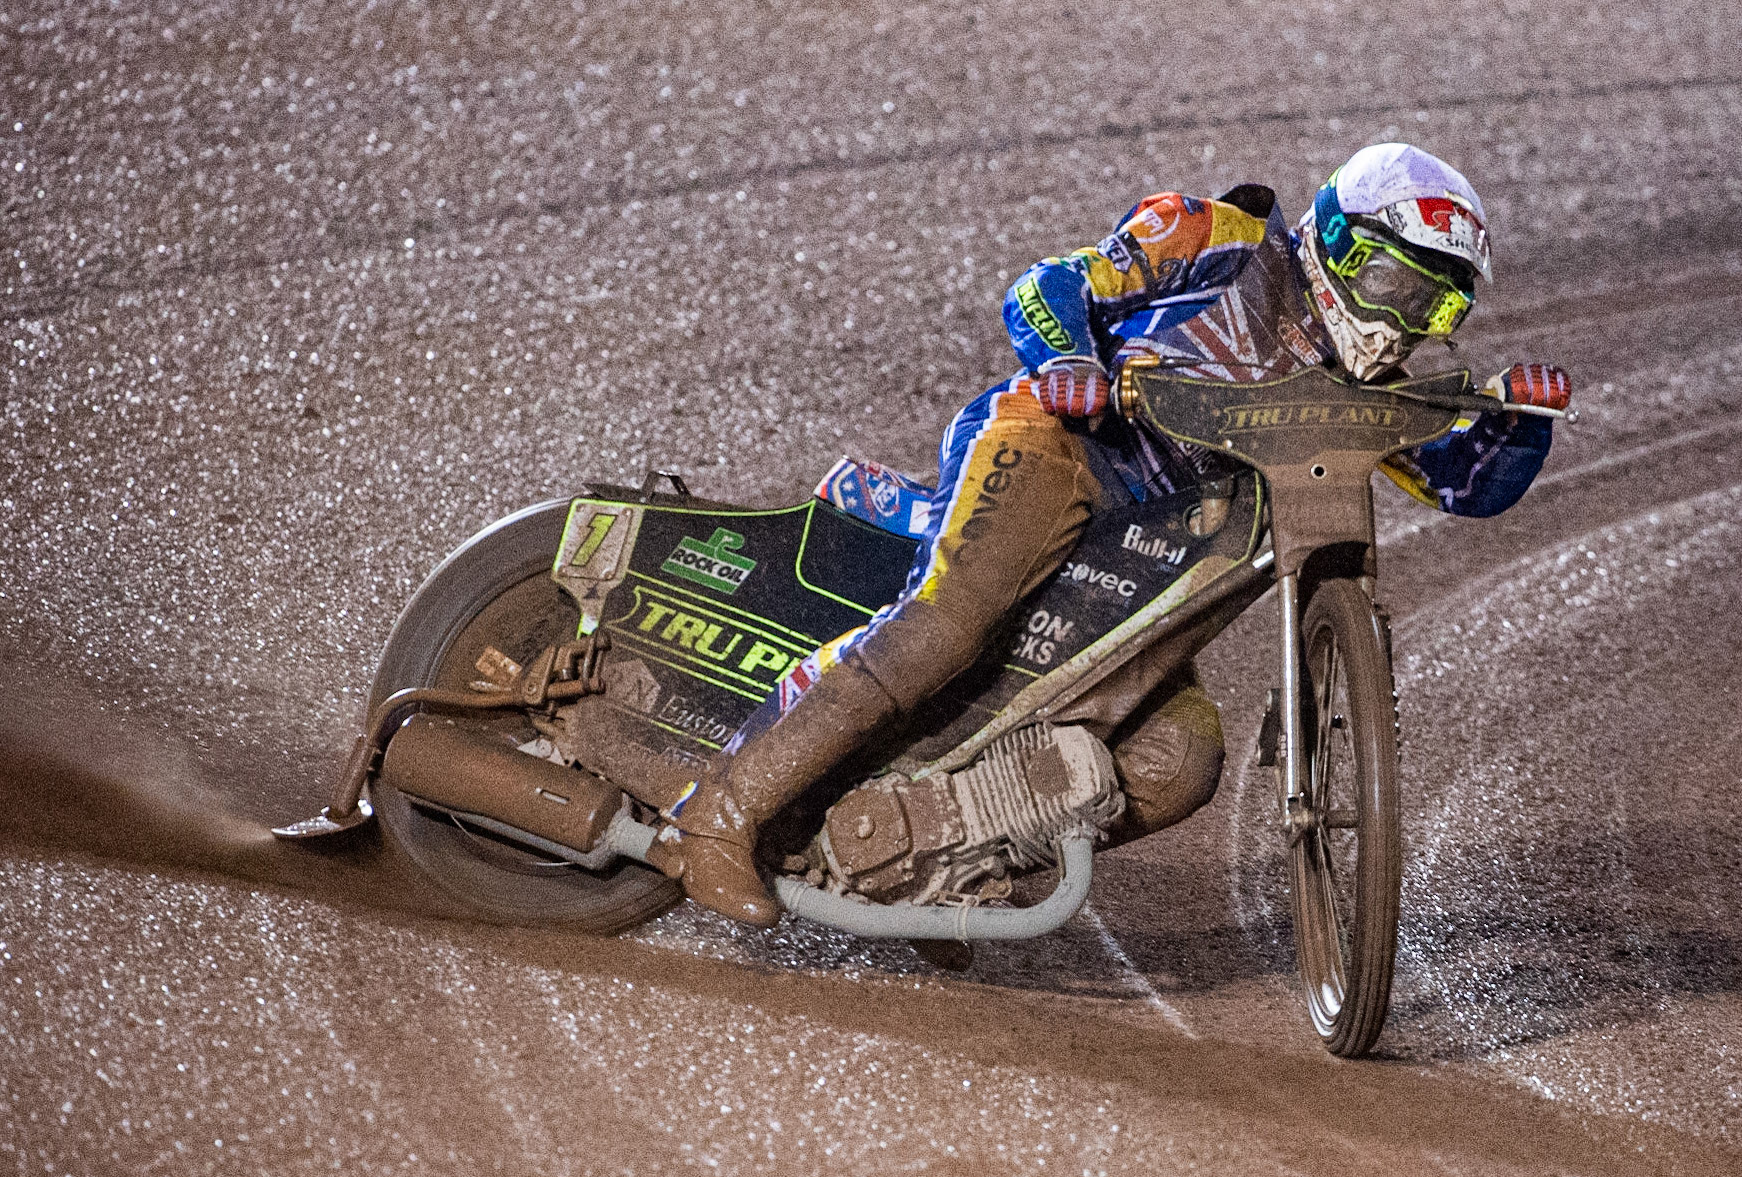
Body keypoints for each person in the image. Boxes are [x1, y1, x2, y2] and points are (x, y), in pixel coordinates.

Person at [649, 142, 1571, 927]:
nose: (1407, 324)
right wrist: (1068, 361)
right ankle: (717, 811)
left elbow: (1465, 485)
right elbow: (1048, 285)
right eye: (1399, 286)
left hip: (1163, 559)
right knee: (951, 618)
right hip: (1060, 446)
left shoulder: (1364, 388)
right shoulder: (1223, 237)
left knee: (1179, 761)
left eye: (1440, 310)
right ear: (1336, 239)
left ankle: (942, 862)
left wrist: (1520, 419)